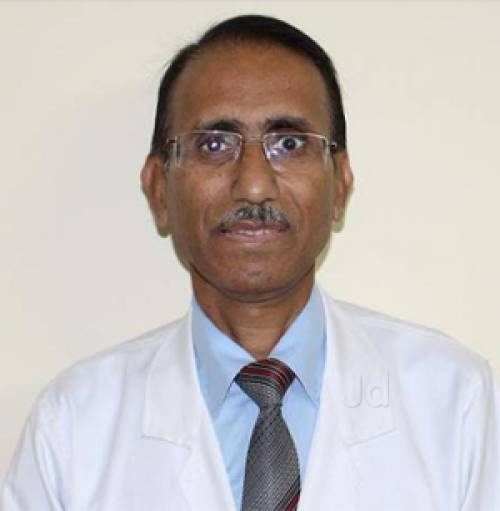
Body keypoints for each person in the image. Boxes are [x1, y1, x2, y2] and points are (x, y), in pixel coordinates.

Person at [2, 14, 499, 511]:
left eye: (290, 144)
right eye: (214, 145)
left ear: (340, 185)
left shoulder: (456, 404)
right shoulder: (73, 428)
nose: (255, 185)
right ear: (158, 190)